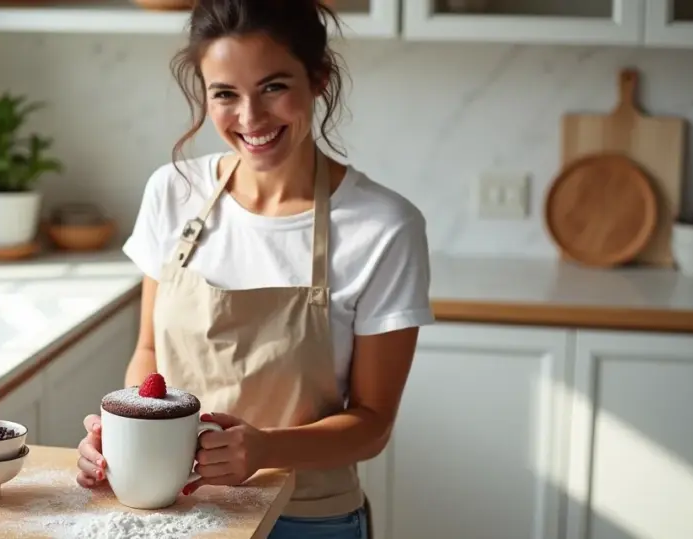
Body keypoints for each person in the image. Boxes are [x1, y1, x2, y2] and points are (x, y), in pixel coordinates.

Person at [75, 0, 433, 536]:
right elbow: (150, 354)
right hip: (174, 513)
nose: (250, 118)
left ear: (319, 80)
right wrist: (126, 436)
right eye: (224, 93)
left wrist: (266, 448)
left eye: (273, 87)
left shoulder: (383, 227)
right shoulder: (173, 192)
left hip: (307, 517)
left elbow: (372, 425)